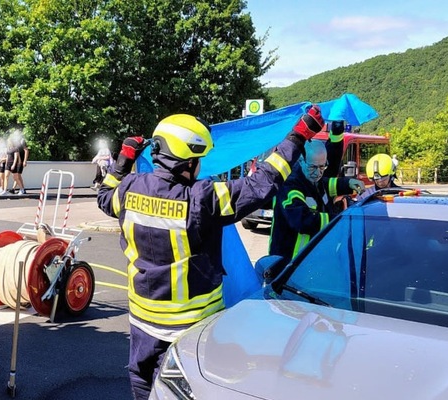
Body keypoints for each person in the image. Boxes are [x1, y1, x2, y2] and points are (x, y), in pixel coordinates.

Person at [97, 106, 327, 400]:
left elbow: (104, 196)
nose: (200, 167)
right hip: (190, 327)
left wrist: (124, 160)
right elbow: (261, 184)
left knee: (142, 383)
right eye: (199, 160)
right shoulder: (201, 198)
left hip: (142, 322)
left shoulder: (129, 189)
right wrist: (297, 137)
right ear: (187, 161)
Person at [268, 128, 365, 260]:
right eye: (313, 167)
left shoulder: (313, 179)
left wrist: (348, 183)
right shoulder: (289, 186)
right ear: (301, 161)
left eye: (322, 167)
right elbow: (303, 221)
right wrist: (338, 219)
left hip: (310, 259)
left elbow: (326, 184)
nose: (318, 173)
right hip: (289, 262)